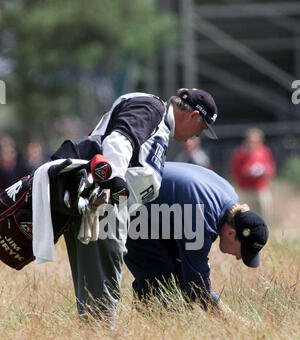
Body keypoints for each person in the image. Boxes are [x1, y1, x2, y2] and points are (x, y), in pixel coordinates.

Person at [50, 88, 219, 322]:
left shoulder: (160, 123)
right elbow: (120, 139)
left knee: (94, 298)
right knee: (101, 301)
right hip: (104, 205)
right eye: (201, 129)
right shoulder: (152, 108)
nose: (197, 137)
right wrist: (113, 181)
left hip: (102, 204)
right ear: (193, 116)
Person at [125, 162, 269, 317]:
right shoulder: (203, 220)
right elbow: (197, 288)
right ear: (230, 233)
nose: (239, 257)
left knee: (175, 277)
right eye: (243, 251)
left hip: (147, 203)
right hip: (125, 205)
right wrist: (233, 321)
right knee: (163, 283)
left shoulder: (229, 195)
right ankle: (152, 330)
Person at [230, 128, 276, 219]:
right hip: (247, 189)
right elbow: (235, 171)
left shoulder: (264, 151)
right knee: (247, 213)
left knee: (265, 211)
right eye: (251, 141)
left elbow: (271, 168)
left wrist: (265, 171)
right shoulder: (240, 153)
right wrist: (246, 172)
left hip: (261, 187)